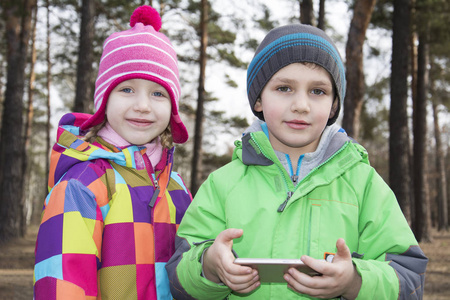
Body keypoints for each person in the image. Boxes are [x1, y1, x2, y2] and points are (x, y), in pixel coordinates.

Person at [166, 24, 428, 299]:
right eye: (284, 88)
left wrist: (354, 282)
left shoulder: (364, 185)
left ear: (334, 105)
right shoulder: (222, 184)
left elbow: (409, 279)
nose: (301, 105)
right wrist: (209, 266)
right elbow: (179, 279)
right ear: (258, 100)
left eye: (318, 91)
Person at [33, 5, 192, 299]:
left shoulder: (177, 188)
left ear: (173, 108)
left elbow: (192, 276)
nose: (143, 105)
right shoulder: (82, 185)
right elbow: (62, 285)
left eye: (158, 93)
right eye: (127, 89)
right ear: (104, 100)